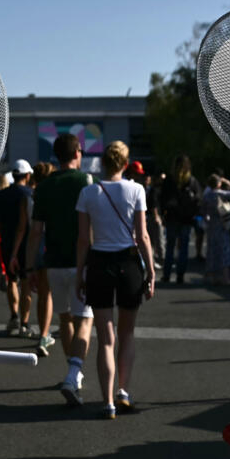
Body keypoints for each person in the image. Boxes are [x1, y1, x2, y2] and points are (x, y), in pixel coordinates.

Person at [75, 141, 155, 419]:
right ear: (124, 163)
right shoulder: (136, 190)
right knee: (127, 334)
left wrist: (79, 274)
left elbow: (84, 239)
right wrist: (152, 272)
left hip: (99, 263)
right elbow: (143, 235)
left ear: (103, 163)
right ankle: (124, 391)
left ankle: (107, 401)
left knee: (105, 338)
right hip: (129, 263)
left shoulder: (88, 193)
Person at [26, 133, 95, 405]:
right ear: (77, 152)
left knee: (65, 318)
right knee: (85, 319)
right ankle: (73, 373)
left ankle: (72, 371)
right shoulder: (86, 181)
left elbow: (36, 232)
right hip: (83, 262)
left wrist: (31, 266)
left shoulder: (43, 187)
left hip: (53, 261)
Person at [0, 159, 35, 337]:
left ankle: (14, 315)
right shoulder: (31, 194)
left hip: (6, 242)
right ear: (27, 175)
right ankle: (24, 322)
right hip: (27, 244)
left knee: (11, 281)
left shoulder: (1, 195)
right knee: (25, 283)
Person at [159, 155, 202, 284]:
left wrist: (163, 214)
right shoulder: (192, 180)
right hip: (187, 219)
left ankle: (166, 275)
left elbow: (162, 198)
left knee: (170, 246)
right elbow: (198, 199)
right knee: (183, 248)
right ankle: (180, 275)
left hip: (172, 217)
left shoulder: (169, 179)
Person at [29, 161, 57, 356]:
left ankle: (42, 330)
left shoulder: (31, 195)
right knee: (47, 293)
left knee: (40, 294)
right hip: (49, 242)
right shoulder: (50, 194)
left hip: (33, 244)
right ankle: (44, 334)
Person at [202, 174, 230, 285]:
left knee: (213, 251)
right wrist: (228, 182)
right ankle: (225, 278)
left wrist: (207, 219)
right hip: (222, 225)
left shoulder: (207, 196)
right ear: (218, 183)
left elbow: (203, 210)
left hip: (212, 226)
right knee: (225, 251)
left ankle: (214, 277)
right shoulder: (221, 194)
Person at [146, 172, 165, 270]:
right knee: (157, 240)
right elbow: (154, 204)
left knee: (155, 240)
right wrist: (156, 216)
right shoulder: (155, 190)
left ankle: (156, 260)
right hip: (154, 217)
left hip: (155, 216)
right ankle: (160, 260)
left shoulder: (158, 189)